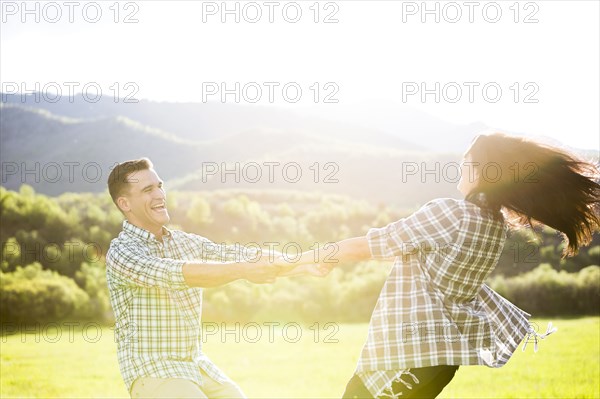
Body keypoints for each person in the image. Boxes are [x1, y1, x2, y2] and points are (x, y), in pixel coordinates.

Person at [293, 132, 600, 399]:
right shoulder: (493, 226)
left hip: (408, 357)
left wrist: (313, 255)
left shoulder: (450, 213)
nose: (460, 165)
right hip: (439, 361)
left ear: (483, 171)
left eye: (467, 160)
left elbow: (374, 244)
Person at [105, 158, 315, 399]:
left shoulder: (186, 242)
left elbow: (242, 255)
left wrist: (304, 263)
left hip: (195, 365)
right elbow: (177, 274)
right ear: (125, 203)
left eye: (159, 185)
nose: (159, 194)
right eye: (147, 190)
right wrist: (242, 270)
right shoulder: (122, 252)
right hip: (153, 371)